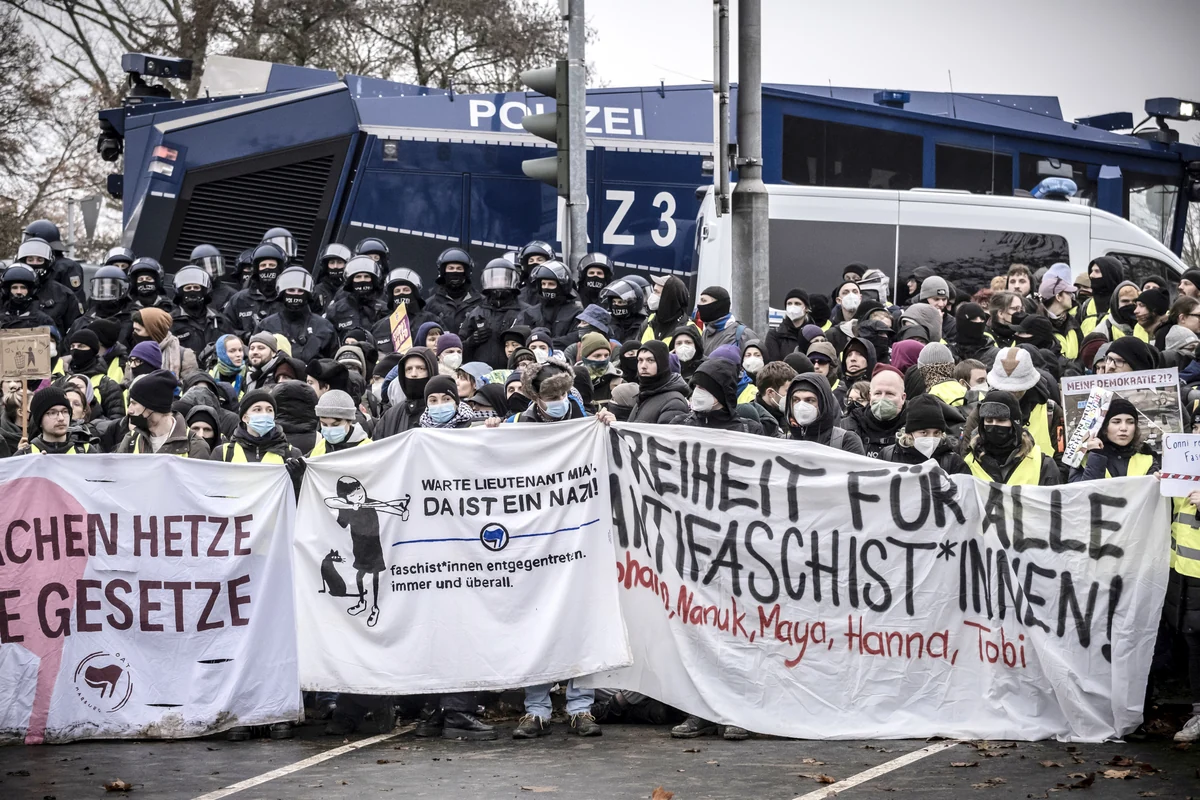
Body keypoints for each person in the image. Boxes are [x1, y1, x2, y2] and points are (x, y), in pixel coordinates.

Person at [981, 347, 1065, 464]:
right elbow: (968, 453)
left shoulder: (1050, 411)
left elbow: (1062, 458)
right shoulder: (981, 410)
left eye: (1017, 388)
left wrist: (1049, 473)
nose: (1012, 391)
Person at [963, 390, 1060, 485]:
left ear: (1015, 424)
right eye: (989, 420)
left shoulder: (1042, 465)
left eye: (1001, 420)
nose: (994, 425)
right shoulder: (969, 462)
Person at [115, 370, 211, 457]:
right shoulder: (132, 439)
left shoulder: (195, 446)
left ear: (153, 407)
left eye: (134, 403)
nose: (129, 410)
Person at [1068, 397, 1159, 481]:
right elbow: (1082, 491)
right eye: (1116, 422)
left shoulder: (1147, 458)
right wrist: (1096, 455)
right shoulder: (1082, 458)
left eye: (1130, 422)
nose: (1124, 428)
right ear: (1104, 427)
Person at [258, 267, 339, 362]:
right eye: (291, 290)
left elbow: (334, 362)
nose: (295, 294)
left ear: (308, 294)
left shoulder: (324, 327)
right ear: (283, 293)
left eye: (300, 291)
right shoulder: (266, 325)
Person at [459, 257, 525, 368]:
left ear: (513, 281)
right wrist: (470, 342)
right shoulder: (476, 313)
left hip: (515, 372)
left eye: (503, 279)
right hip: (481, 373)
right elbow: (457, 348)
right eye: (495, 279)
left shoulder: (525, 312)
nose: (499, 283)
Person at [209, 389, 304, 465]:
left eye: (269, 410)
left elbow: (301, 484)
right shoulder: (223, 453)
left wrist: (297, 478)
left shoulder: (291, 453)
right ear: (245, 418)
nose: (265, 414)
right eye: (258, 409)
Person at [880, 394, 969, 474]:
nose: (931, 438)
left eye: (936, 433)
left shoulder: (953, 462)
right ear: (910, 433)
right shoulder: (888, 456)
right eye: (924, 433)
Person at [671, 359, 763, 435]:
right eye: (695, 386)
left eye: (702, 387)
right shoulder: (679, 424)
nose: (696, 392)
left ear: (721, 393)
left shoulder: (750, 430)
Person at [782, 372, 865, 454]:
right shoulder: (782, 443)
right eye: (796, 400)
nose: (801, 406)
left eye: (810, 400)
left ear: (823, 403)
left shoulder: (847, 441)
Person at [13, 237, 79, 334]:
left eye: (39, 260)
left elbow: (75, 331)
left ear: (48, 262)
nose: (34, 263)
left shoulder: (64, 295)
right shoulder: (6, 292)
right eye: (30, 260)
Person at [839, 367, 907, 458]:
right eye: (878, 393)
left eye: (889, 394)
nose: (882, 399)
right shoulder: (850, 425)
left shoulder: (915, 427)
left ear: (903, 398)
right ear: (870, 396)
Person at [225, 243, 285, 340]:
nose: (267, 268)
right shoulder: (239, 299)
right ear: (257, 269)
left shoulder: (286, 298)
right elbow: (225, 329)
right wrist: (246, 336)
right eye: (263, 265)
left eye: (272, 265)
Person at [61, 329, 125, 420]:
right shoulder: (62, 380)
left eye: (81, 346)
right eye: (72, 346)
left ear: (93, 350)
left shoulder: (107, 386)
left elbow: (116, 422)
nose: (75, 350)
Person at [515, 260, 581, 346]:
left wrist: (546, 343)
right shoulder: (530, 312)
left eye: (551, 284)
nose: (546, 287)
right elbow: (522, 337)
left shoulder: (577, 313)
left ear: (562, 286)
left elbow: (575, 338)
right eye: (543, 284)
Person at [375, 348, 438, 437]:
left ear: (431, 370)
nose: (413, 374)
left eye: (420, 368)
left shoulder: (443, 411)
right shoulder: (391, 416)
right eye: (409, 369)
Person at [372, 267, 436, 354]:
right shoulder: (379, 326)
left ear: (415, 293)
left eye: (406, 290)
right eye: (397, 291)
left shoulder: (430, 319)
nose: (401, 293)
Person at [15, 387, 94, 454]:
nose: (61, 418)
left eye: (65, 412)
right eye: (52, 413)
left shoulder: (86, 452)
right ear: (40, 420)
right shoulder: (26, 454)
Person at [627, 341, 689, 424]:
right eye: (640, 360)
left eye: (650, 360)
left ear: (662, 363)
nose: (643, 366)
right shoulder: (645, 394)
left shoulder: (674, 403)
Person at [170, 264, 225, 355]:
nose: (192, 291)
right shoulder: (170, 321)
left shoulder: (218, 319)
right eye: (188, 288)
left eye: (196, 287)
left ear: (204, 291)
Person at [425, 247, 481, 335]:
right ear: (443, 272)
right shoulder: (430, 304)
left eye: (459, 268)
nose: (455, 271)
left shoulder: (481, 302)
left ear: (466, 272)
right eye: (451, 268)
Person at [132, 307, 200, 380]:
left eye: (138, 330)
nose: (134, 333)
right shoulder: (135, 354)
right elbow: (127, 382)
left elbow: (190, 383)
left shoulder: (184, 355)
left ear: (153, 331)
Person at [326, 255, 386, 336]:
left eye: (366, 276)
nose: (362, 280)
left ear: (373, 280)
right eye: (358, 277)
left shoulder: (384, 309)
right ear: (351, 281)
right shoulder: (335, 311)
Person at [697, 286, 758, 356]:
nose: (699, 304)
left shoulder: (744, 334)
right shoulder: (706, 333)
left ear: (718, 305)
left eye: (704, 301)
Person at [1038, 263, 1081, 362]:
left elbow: (1081, 354)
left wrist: (1076, 368)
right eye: (1068, 293)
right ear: (1058, 297)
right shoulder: (1039, 327)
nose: (1072, 296)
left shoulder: (1073, 322)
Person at [310, 389, 373, 456]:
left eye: (335, 425)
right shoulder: (321, 446)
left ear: (349, 421)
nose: (329, 430)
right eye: (324, 424)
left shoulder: (368, 449)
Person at [1076, 256, 1126, 336]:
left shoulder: (1124, 302)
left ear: (1110, 274)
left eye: (1097, 271)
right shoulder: (1086, 305)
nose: (1091, 275)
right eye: (1091, 271)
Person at [640, 276, 696, 346]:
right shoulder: (649, 321)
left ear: (669, 297)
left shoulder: (689, 329)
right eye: (653, 291)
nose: (652, 295)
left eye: (657, 292)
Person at [747, 360, 797, 437]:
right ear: (770, 393)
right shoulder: (752, 419)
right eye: (788, 391)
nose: (794, 395)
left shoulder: (793, 414)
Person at [189, 243, 238, 311]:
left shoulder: (232, 294)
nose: (211, 271)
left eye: (213, 266)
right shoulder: (189, 290)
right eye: (206, 267)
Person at [598, 277, 647, 342]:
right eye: (614, 302)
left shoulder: (644, 324)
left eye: (620, 302)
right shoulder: (607, 322)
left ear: (633, 304)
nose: (616, 305)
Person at [766, 289, 809, 362]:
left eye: (797, 303)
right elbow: (774, 364)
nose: (792, 307)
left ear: (806, 308)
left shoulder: (813, 334)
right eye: (789, 303)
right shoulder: (775, 334)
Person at [516, 240, 556, 304]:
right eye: (531, 261)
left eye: (539, 260)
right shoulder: (519, 294)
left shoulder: (557, 291)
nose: (535, 263)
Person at [314, 243, 352, 309]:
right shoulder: (317, 291)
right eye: (332, 263)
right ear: (326, 266)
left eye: (339, 262)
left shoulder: (352, 290)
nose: (335, 266)